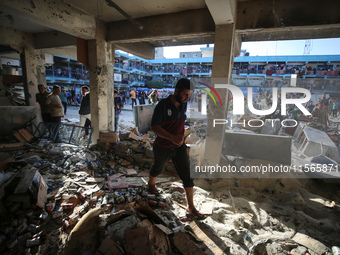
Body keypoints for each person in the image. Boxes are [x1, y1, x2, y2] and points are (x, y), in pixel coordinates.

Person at [148, 78, 204, 219]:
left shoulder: (184, 105)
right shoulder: (163, 105)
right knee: (158, 168)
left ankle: (191, 207)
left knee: (187, 175)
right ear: (176, 91)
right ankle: (151, 183)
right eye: (185, 94)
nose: (187, 97)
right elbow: (154, 127)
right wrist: (171, 137)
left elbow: (179, 123)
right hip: (163, 147)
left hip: (179, 147)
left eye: (189, 95)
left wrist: (180, 136)